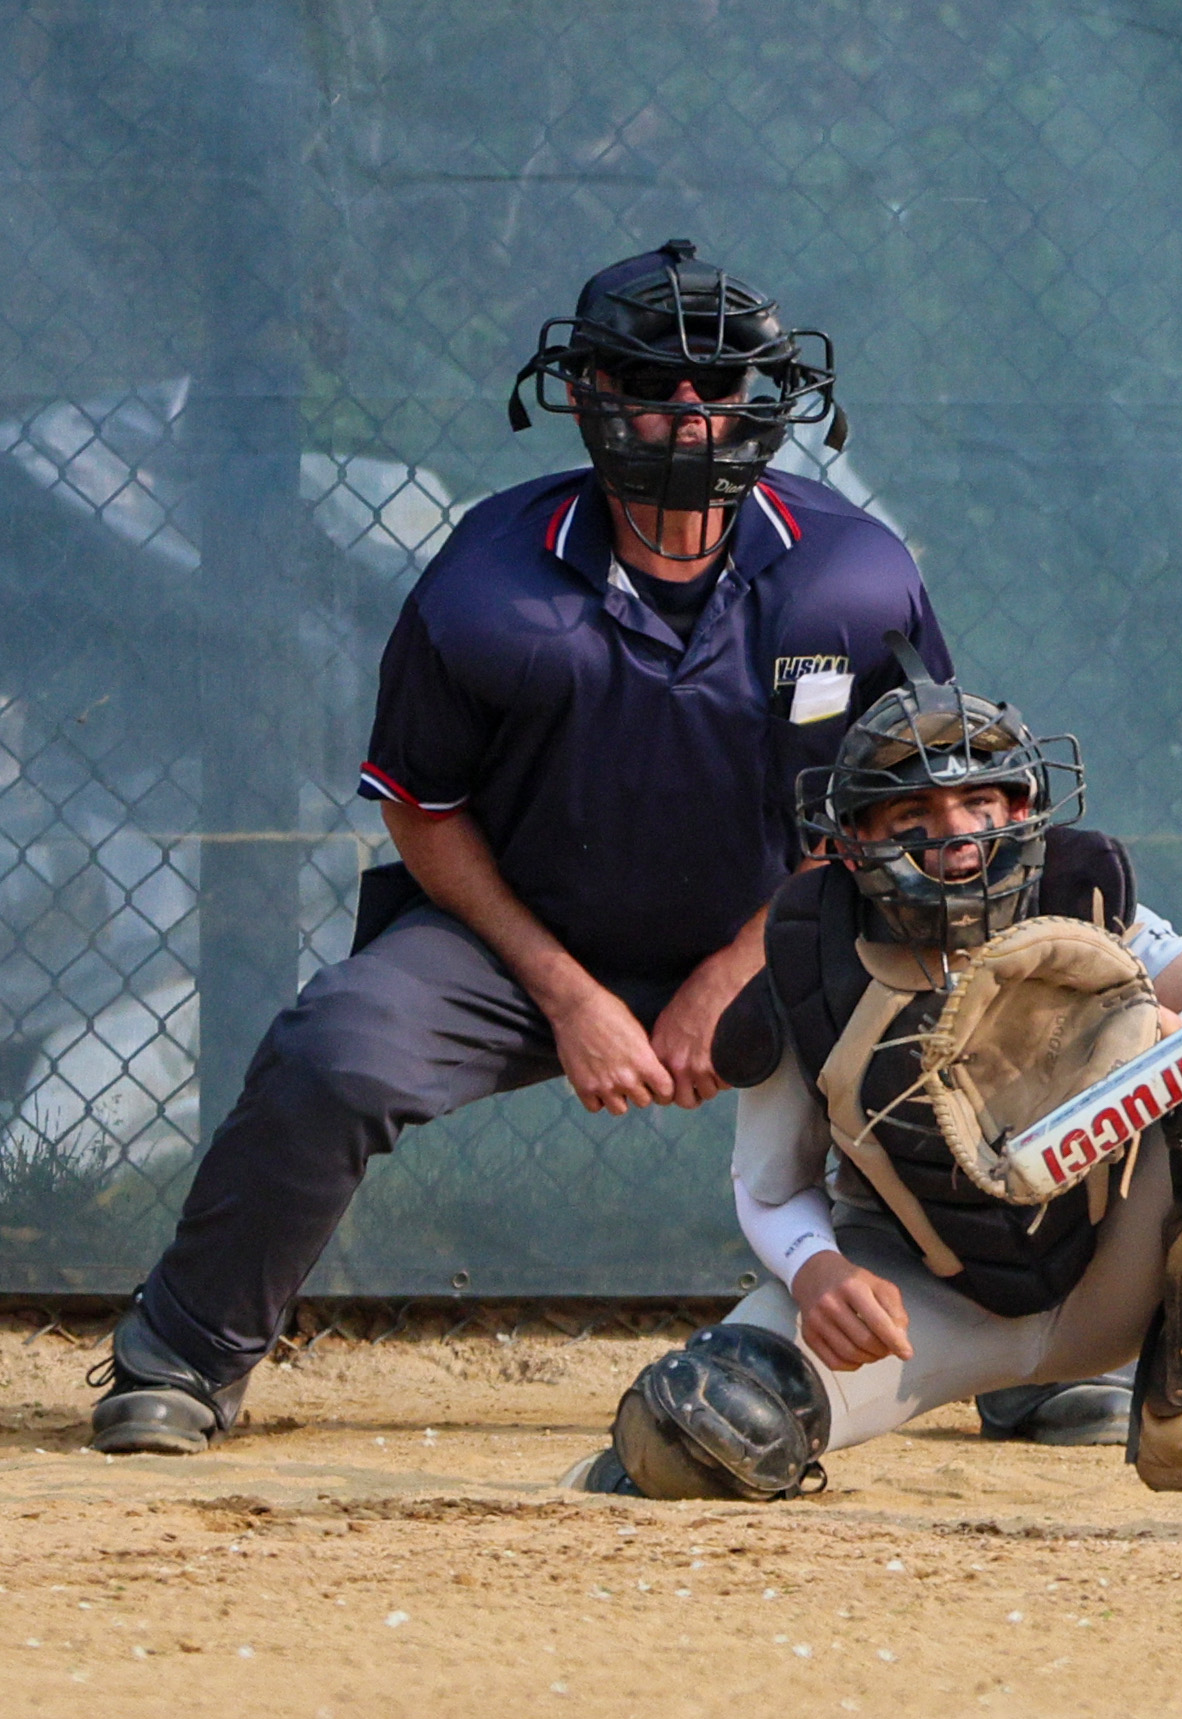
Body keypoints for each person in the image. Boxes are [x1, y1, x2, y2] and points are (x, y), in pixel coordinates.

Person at [88, 240, 952, 1453]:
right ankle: (182, 1353)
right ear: (591, 393)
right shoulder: (491, 579)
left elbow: (903, 805)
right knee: (337, 1050)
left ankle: (1026, 1347)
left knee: (972, 1025)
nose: (691, 416)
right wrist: (571, 997)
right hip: (525, 938)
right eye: (655, 383)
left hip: (785, 932)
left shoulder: (852, 571)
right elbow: (422, 810)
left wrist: (736, 966)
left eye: (723, 388)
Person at [567, 659, 1182, 1499]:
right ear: (853, 840)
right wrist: (818, 1270)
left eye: (978, 805)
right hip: (921, 1297)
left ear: (1020, 809)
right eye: (910, 813)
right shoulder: (811, 966)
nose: (953, 834)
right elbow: (769, 1187)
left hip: (1111, 1269)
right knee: (702, 1427)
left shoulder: (1081, 898)